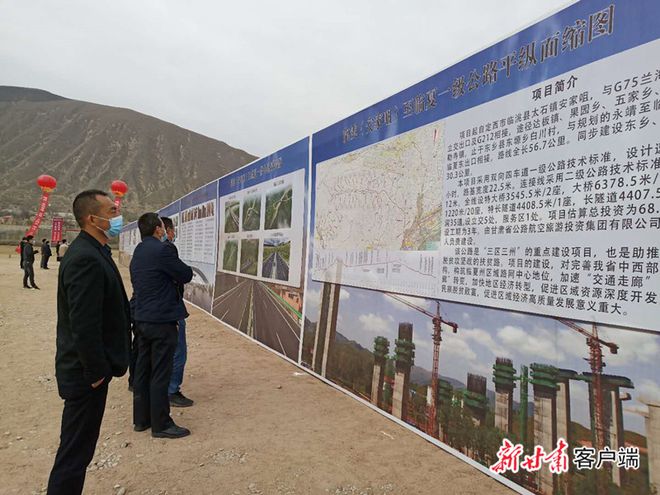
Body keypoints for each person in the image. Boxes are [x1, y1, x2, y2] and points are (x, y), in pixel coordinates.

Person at [47, 190, 130, 495]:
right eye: (111, 210)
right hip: (85, 375)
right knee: (74, 453)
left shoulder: (94, 251)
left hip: (89, 372)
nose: (117, 215)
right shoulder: (85, 257)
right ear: (92, 218)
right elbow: (84, 324)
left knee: (79, 449)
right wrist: (96, 372)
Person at [130, 213, 192, 438]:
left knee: (143, 370)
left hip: (142, 319)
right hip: (161, 320)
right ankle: (161, 424)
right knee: (160, 373)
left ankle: (141, 419)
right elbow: (185, 274)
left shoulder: (139, 251)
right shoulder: (162, 250)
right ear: (158, 230)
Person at [161, 216, 194, 408]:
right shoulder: (167, 249)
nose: (173, 234)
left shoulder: (143, 250)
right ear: (164, 230)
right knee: (178, 351)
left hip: (153, 312)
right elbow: (184, 274)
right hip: (170, 309)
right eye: (172, 230)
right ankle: (172, 390)